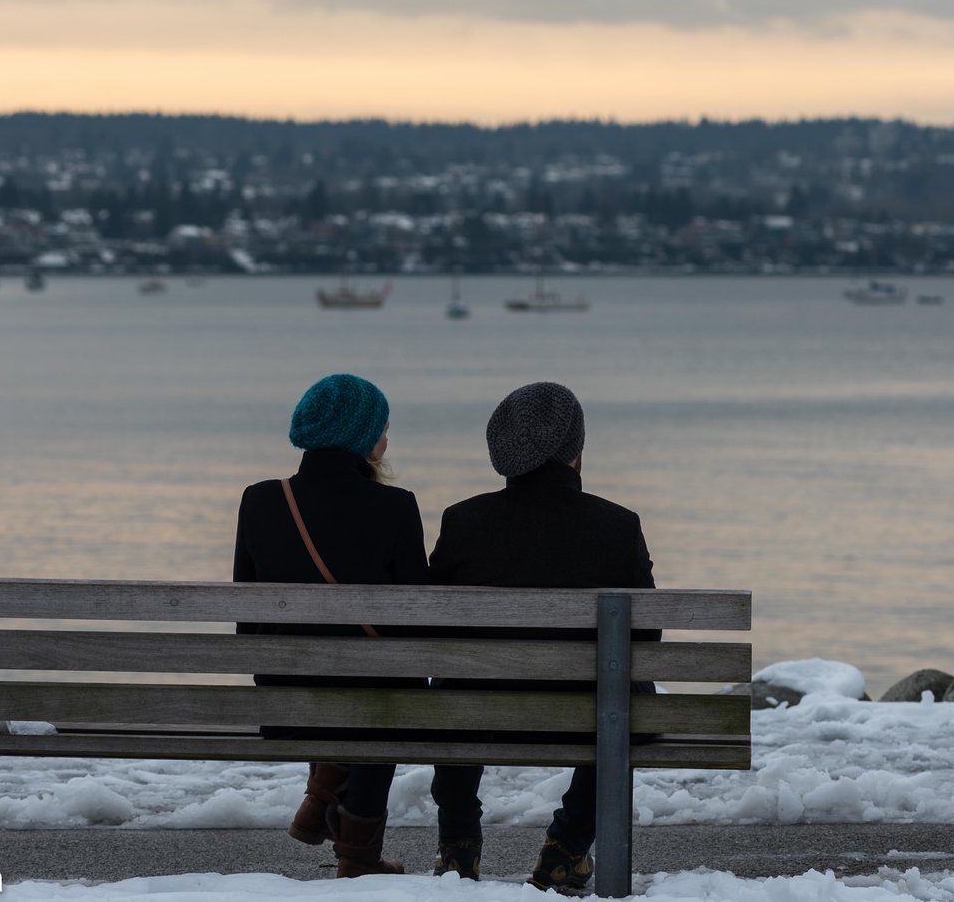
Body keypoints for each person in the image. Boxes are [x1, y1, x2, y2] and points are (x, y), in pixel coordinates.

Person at [427, 381, 658, 892]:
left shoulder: (463, 521)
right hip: (590, 714)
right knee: (629, 698)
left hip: (475, 711)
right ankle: (567, 849)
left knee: (452, 683)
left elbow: (433, 630)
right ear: (575, 449)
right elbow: (649, 636)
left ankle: (459, 847)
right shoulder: (617, 525)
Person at [232, 373, 427, 877]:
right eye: (383, 428)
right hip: (375, 702)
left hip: (286, 696)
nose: (387, 438)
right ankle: (357, 858)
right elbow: (417, 620)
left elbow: (247, 618)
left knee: (342, 679)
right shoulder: (396, 506)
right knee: (385, 687)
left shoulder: (259, 500)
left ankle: (321, 794)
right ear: (362, 437)